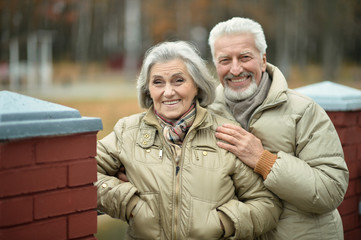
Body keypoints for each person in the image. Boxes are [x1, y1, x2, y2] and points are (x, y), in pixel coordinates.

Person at [95, 41, 282, 239]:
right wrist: (129, 203)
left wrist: (224, 223)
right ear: (148, 89)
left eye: (178, 81)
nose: (168, 92)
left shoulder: (226, 133)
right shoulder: (128, 131)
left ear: (197, 85)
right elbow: (85, 174)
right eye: (158, 82)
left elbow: (267, 204)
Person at [207, 17, 349, 240]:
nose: (235, 69)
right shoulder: (205, 113)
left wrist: (263, 160)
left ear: (263, 60)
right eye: (225, 60)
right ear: (216, 65)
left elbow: (331, 191)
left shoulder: (305, 111)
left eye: (245, 57)